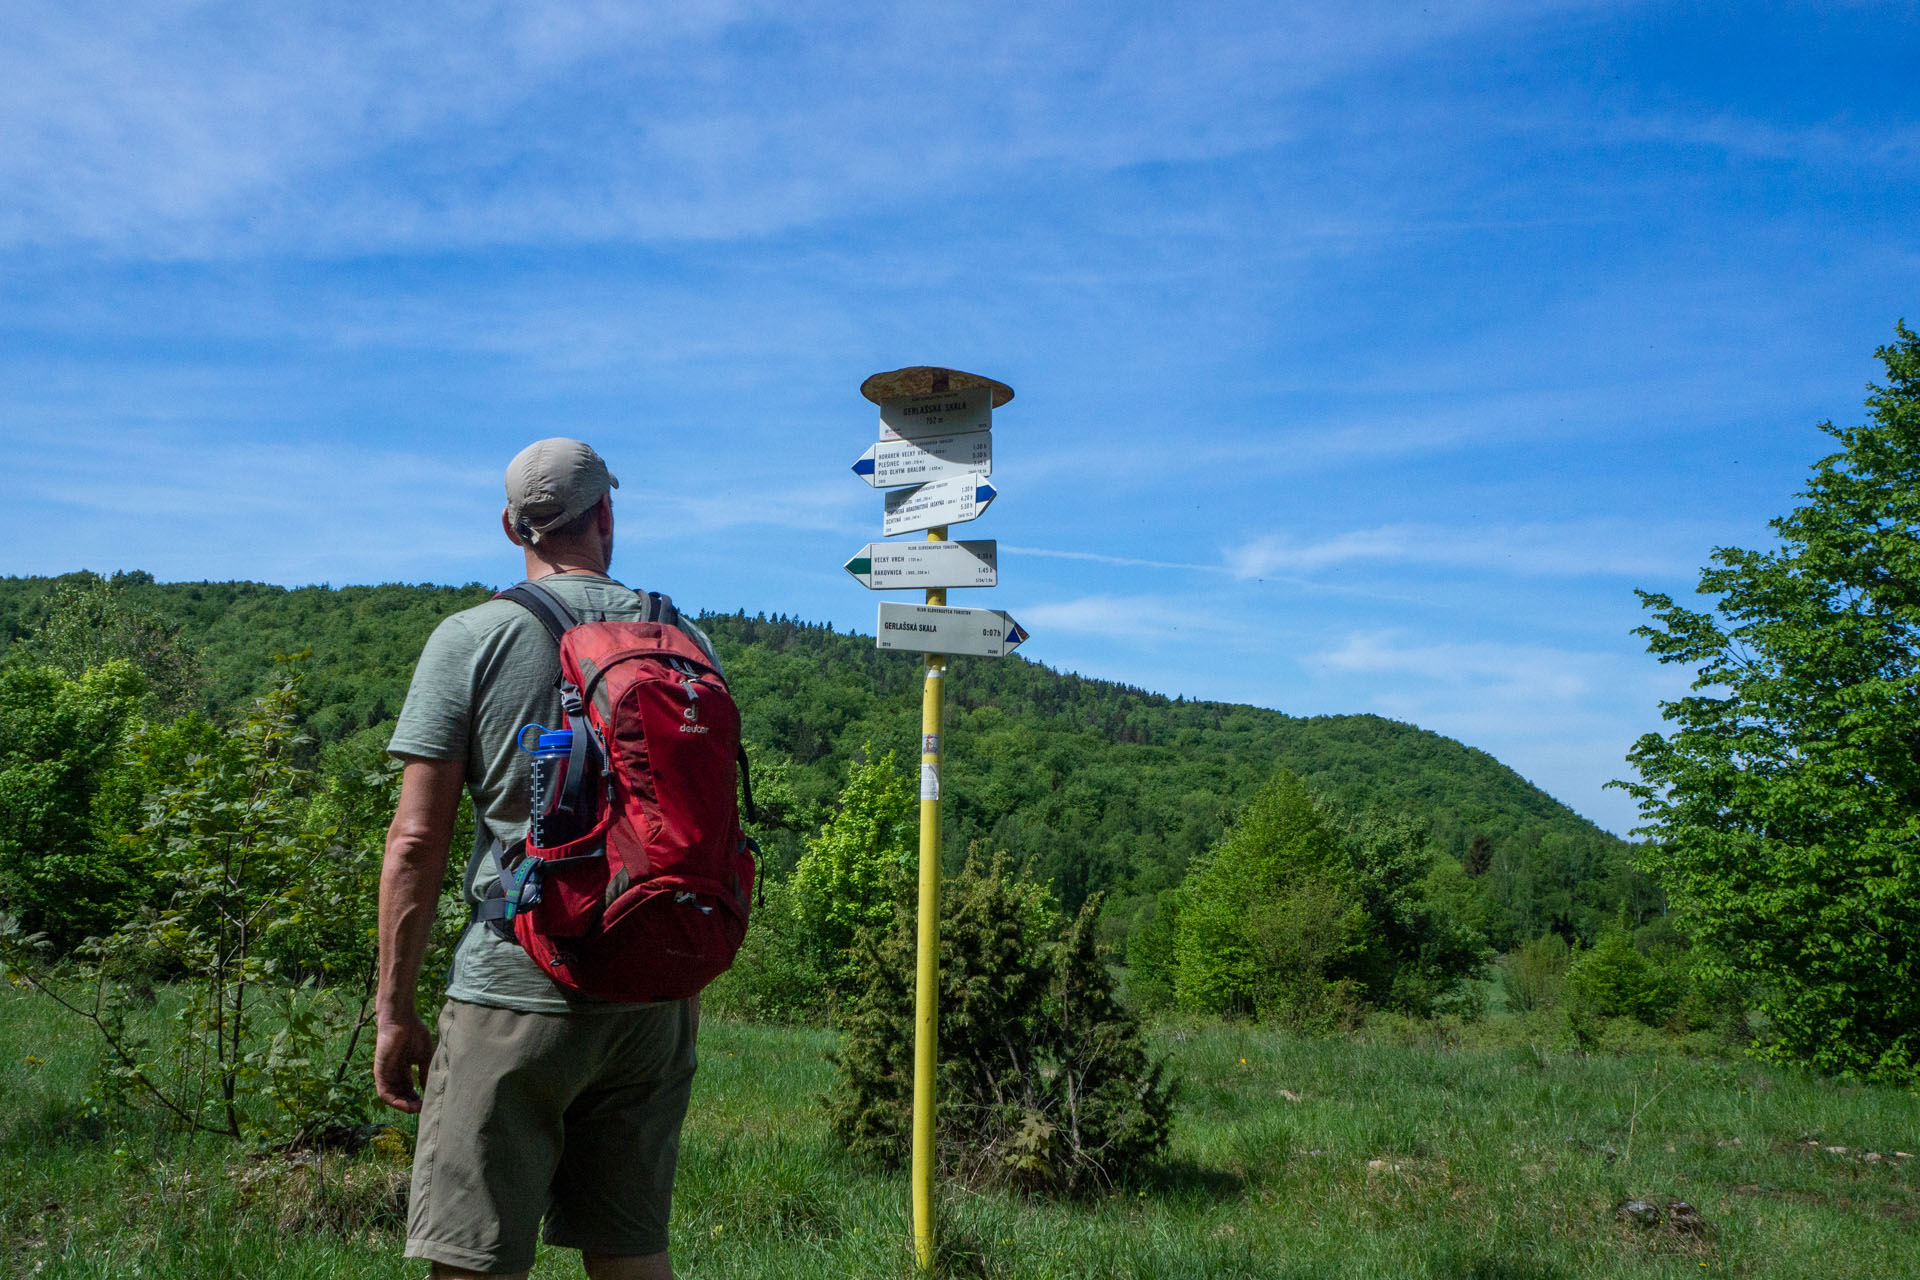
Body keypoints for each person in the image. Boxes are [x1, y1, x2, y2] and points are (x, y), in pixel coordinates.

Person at [375, 438, 719, 1280]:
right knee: (632, 1255)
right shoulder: (683, 636)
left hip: (515, 988)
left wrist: (394, 1009)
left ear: (509, 527)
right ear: (607, 514)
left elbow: (416, 840)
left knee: (475, 1261)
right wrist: (683, 981)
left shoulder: (474, 637)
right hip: (653, 991)